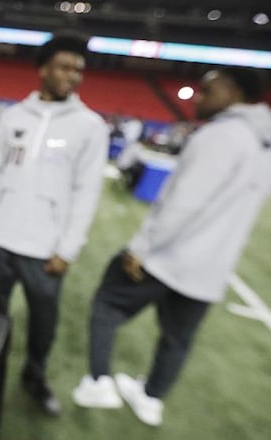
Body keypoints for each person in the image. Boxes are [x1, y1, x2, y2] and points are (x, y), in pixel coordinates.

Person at [72, 67, 271, 426]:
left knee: (106, 304)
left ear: (234, 91)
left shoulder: (222, 136)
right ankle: (151, 399)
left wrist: (141, 247)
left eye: (209, 90)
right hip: (210, 271)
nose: (199, 97)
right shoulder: (263, 144)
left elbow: (183, 203)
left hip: (167, 258)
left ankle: (99, 381)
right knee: (177, 340)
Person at [0, 32, 109, 416]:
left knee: (43, 323)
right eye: (64, 66)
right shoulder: (13, 117)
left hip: (45, 252)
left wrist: (68, 248)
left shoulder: (91, 126)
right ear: (43, 69)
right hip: (0, 240)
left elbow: (87, 192)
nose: (73, 75)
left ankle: (34, 375)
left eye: (78, 69)